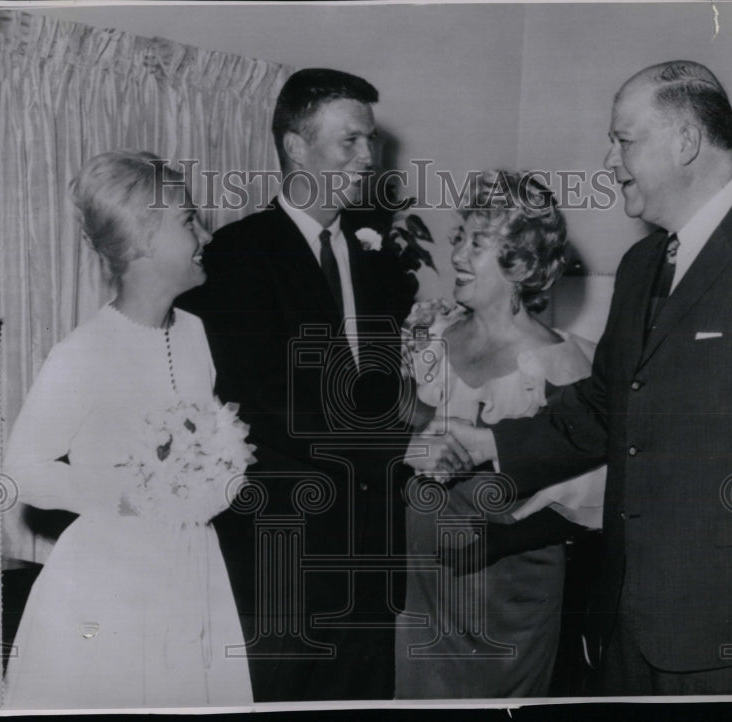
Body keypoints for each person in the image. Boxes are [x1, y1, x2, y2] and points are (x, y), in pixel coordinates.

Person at [425, 61, 732, 694]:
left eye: (623, 141)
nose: (608, 160)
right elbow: (605, 405)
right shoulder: (642, 262)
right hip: (631, 614)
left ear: (684, 142)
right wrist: (493, 443)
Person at [178, 68, 414, 701]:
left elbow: (382, 392)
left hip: (370, 558)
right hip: (282, 557)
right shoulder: (240, 254)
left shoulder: (378, 263)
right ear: (295, 146)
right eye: (350, 141)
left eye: (370, 141)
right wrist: (401, 447)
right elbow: (268, 402)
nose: (369, 157)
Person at [3, 151, 252, 708]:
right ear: (142, 240)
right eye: (188, 221)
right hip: (111, 580)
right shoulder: (84, 352)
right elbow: (23, 471)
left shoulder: (195, 334)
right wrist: (131, 493)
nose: (205, 235)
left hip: (194, 569)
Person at [396, 170, 606, 698]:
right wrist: (400, 366)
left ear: (525, 264)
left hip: (509, 585)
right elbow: (413, 427)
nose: (459, 256)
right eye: (459, 239)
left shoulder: (562, 363)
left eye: (479, 244)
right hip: (427, 579)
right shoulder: (439, 336)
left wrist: (496, 541)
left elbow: (590, 502)